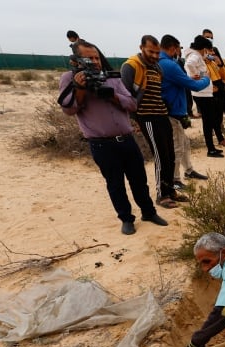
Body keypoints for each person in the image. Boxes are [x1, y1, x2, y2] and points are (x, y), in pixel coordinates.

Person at [58, 40, 167, 235]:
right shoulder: (69, 79)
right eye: (89, 58)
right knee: (115, 184)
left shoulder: (111, 77)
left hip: (127, 139)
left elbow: (132, 104)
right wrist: (81, 88)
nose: (95, 62)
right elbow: (69, 109)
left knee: (139, 179)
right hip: (101, 144)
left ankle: (149, 212)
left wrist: (113, 96)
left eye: (96, 57)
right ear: (75, 60)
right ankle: (126, 219)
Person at [121, 35, 188, 209]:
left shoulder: (157, 67)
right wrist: (133, 120)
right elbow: (126, 96)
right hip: (147, 116)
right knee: (160, 156)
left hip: (162, 114)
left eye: (157, 52)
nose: (155, 55)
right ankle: (161, 195)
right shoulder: (131, 66)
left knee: (170, 156)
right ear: (141, 47)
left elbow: (158, 92)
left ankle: (170, 190)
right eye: (151, 51)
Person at [158, 34, 210, 191]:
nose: (179, 52)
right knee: (177, 147)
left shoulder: (165, 63)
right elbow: (193, 86)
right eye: (178, 49)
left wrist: (189, 79)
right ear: (173, 48)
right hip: (172, 112)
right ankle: (175, 180)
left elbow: (181, 81)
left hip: (175, 111)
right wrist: (206, 79)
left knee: (184, 143)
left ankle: (188, 171)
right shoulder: (168, 64)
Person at [184, 36, 224, 158]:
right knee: (208, 121)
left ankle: (212, 147)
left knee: (209, 120)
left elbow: (207, 59)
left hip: (203, 92)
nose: (208, 52)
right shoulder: (195, 56)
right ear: (203, 48)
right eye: (207, 50)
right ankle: (210, 149)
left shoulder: (198, 55)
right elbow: (189, 65)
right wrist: (197, 75)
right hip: (202, 94)